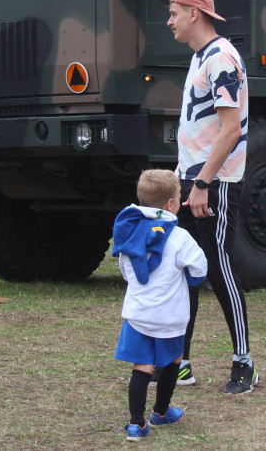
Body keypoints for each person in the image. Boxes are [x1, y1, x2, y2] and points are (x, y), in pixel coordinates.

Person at [166, 0, 256, 395]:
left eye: (174, 13)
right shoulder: (200, 56)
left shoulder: (221, 57)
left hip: (215, 182)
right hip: (193, 179)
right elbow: (198, 127)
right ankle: (180, 363)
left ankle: (244, 363)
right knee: (184, 269)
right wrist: (183, 177)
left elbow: (231, 129)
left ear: (194, 14)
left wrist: (202, 182)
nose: (169, 21)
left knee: (219, 269)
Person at [113, 169, 208, 441]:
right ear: (170, 204)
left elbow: (125, 269)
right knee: (173, 360)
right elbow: (200, 267)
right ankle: (161, 411)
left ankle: (135, 424)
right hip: (170, 316)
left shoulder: (130, 234)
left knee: (142, 366)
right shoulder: (179, 237)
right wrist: (191, 280)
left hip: (138, 314)